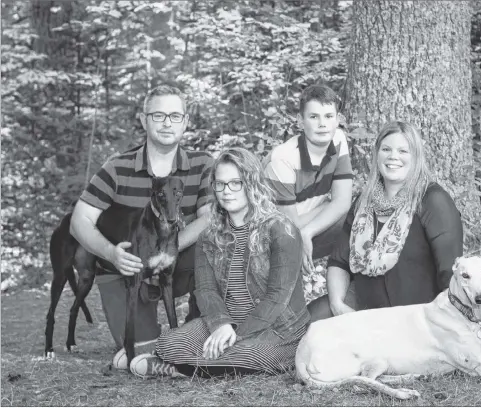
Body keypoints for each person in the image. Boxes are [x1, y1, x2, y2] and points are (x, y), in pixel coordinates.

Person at [128, 147, 310, 379]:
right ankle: (194, 363)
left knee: (248, 355)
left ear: (252, 183)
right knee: (169, 343)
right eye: (220, 184)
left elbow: (277, 298)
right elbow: (205, 289)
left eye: (236, 183)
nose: (227, 191)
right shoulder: (209, 235)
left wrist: (235, 334)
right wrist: (221, 325)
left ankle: (175, 369)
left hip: (278, 328)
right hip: (227, 319)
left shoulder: (282, 230)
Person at [69, 85, 214, 368]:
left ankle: (197, 327)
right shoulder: (117, 167)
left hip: (178, 262)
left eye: (175, 115)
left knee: (216, 247)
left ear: (185, 121)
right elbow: (79, 221)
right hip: (126, 268)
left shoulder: (201, 163)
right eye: (158, 115)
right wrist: (112, 253)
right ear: (143, 119)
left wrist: (164, 252)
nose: (167, 122)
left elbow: (208, 218)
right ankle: (150, 337)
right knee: (138, 350)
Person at [307, 121, 463, 321]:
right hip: (364, 308)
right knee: (312, 320)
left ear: (416, 157)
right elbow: (339, 261)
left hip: (416, 317)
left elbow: (451, 273)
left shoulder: (433, 200)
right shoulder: (363, 202)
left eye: (403, 151)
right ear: (377, 154)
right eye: (386, 149)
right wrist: (338, 305)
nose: (393, 157)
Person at [264, 84, 353, 273]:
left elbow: (344, 201)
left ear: (338, 119)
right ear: (300, 121)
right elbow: (288, 227)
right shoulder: (283, 158)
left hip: (306, 229)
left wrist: (309, 231)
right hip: (268, 242)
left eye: (329, 116)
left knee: (360, 215)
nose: (323, 124)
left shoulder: (338, 139)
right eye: (314, 117)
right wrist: (326, 205)